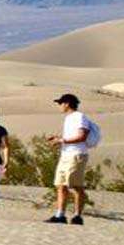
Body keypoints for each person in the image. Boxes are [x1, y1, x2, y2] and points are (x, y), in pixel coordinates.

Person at [46, 93, 91, 225]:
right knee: (61, 185)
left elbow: (82, 136)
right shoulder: (69, 118)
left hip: (76, 154)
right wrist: (58, 138)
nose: (59, 106)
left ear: (67, 103)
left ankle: (78, 216)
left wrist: (62, 140)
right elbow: (72, 136)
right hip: (66, 154)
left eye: (60, 103)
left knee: (76, 186)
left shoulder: (79, 117)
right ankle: (60, 215)